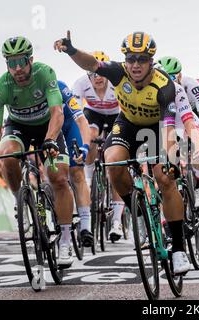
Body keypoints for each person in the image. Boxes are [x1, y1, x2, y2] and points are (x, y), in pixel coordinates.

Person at [54, 31, 191, 274]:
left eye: (141, 59)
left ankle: (179, 249)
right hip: (127, 124)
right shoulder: (119, 72)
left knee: (166, 178)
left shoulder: (164, 86)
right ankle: (136, 212)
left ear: (151, 61)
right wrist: (72, 51)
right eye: (131, 59)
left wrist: (171, 159)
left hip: (157, 129)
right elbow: (92, 64)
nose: (135, 65)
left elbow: (169, 128)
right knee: (113, 163)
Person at [0, 36, 75, 267]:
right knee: (8, 156)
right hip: (18, 126)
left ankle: (65, 240)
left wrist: (51, 140)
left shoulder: (45, 73)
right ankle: (20, 202)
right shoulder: (2, 86)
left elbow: (57, 112)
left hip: (47, 126)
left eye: (21, 61)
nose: (17, 68)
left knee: (58, 177)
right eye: (11, 64)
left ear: (30, 59)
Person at [158, 57, 199, 222]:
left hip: (189, 117)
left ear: (180, 75)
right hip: (168, 121)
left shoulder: (191, 85)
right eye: (166, 78)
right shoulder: (156, 87)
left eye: (173, 78)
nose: (170, 82)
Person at [72, 51, 125, 242]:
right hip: (93, 113)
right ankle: (88, 176)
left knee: (115, 164)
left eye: (101, 73)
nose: (98, 78)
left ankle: (117, 222)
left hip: (115, 115)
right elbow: (76, 113)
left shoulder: (116, 82)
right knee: (91, 135)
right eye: (93, 74)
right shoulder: (80, 84)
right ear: (88, 75)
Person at [58, 80, 94, 246]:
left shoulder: (62, 88)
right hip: (51, 129)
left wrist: (85, 146)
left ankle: (86, 227)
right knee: (56, 174)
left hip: (69, 125)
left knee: (77, 172)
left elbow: (81, 121)